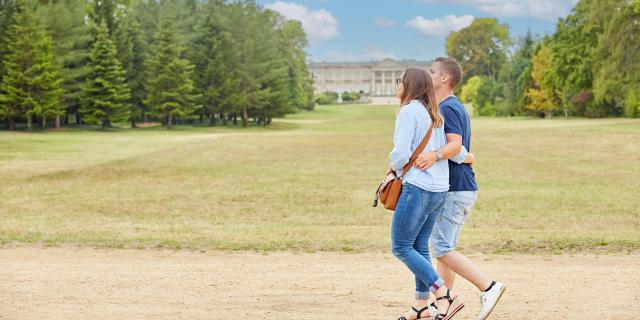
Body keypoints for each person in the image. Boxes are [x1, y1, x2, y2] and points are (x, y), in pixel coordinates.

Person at [414, 57, 506, 320]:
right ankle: (446, 304)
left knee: (440, 247)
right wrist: (463, 155)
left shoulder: (450, 108)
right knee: (443, 247)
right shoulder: (447, 106)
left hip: (457, 188)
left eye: (432, 71)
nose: (427, 74)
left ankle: (488, 287)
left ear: (444, 78)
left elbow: (455, 145)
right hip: (455, 187)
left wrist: (434, 155)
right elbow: (461, 151)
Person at [389, 67, 464, 320]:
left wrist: (394, 168)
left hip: (418, 187)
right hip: (438, 189)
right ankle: (420, 307)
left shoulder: (409, 111)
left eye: (400, 81)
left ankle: (443, 293)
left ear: (409, 85)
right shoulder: (434, 113)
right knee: (419, 246)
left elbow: (400, 154)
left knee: (401, 246)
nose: (398, 84)